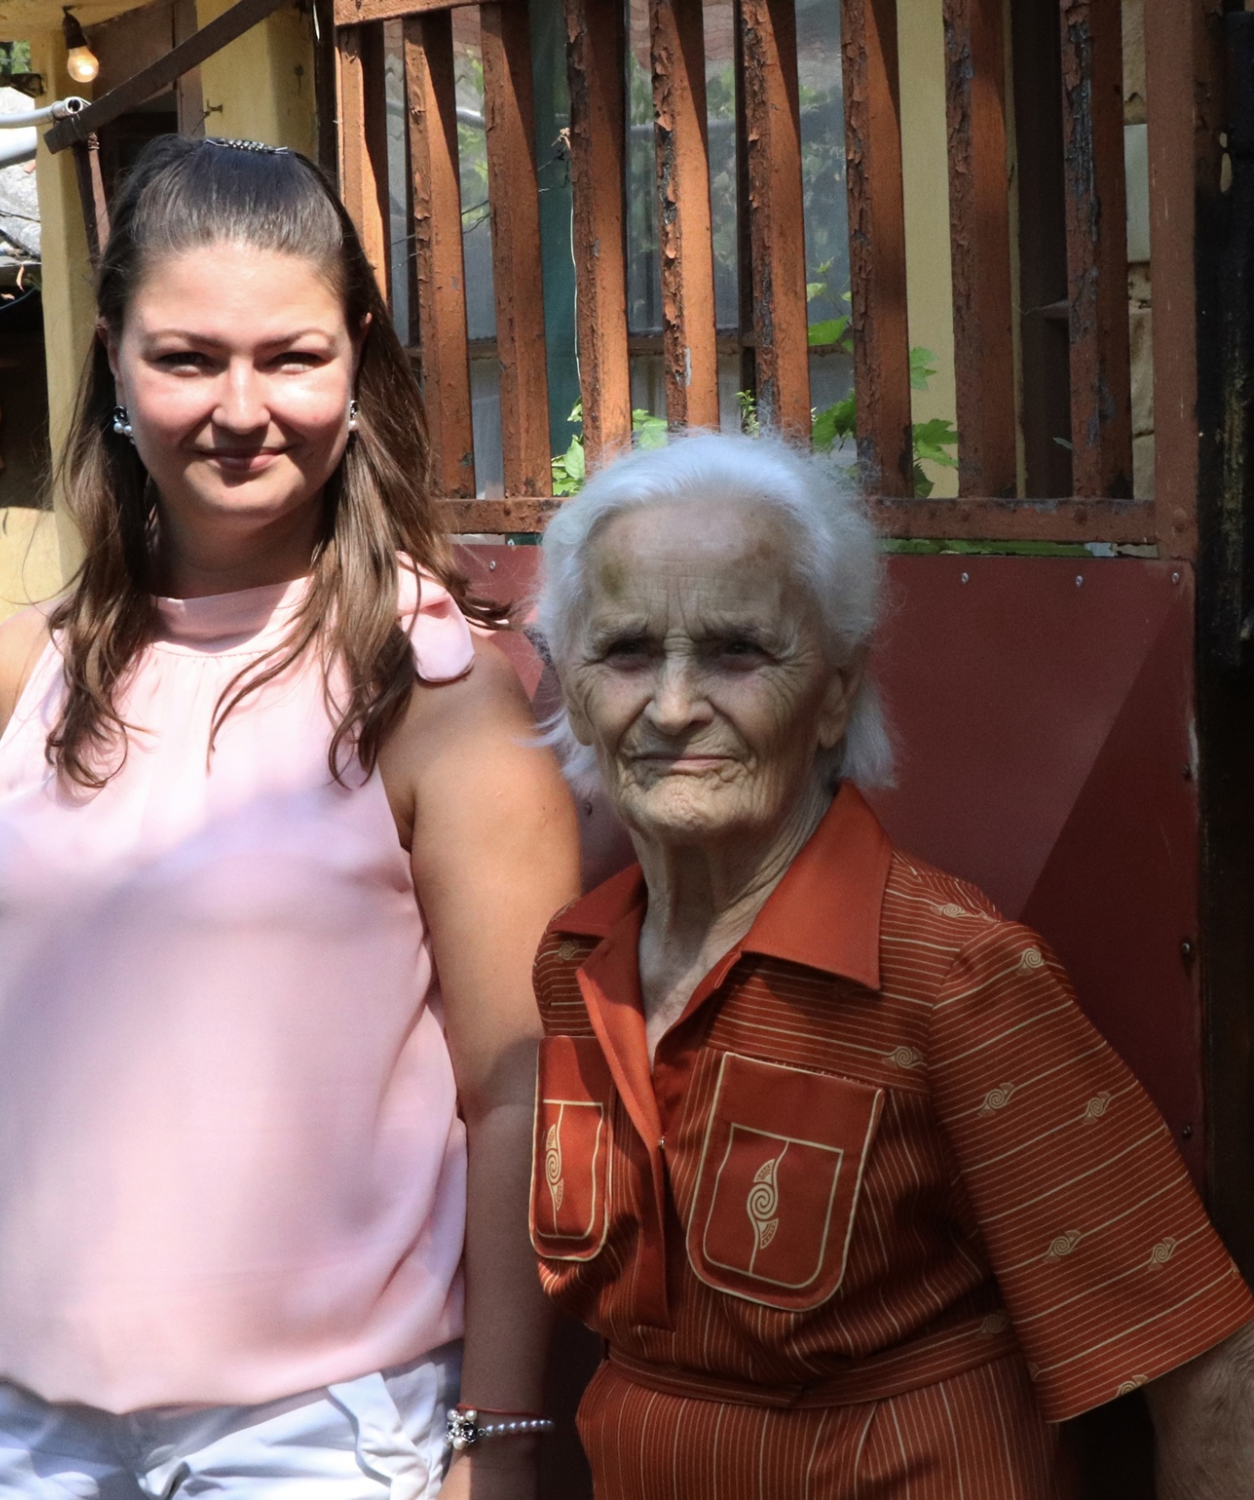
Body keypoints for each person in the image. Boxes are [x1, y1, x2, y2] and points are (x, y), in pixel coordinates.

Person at [0, 136, 577, 1500]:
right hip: (32, 1427)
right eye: (187, 358)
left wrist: (501, 1435)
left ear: (356, 363)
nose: (241, 410)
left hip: (316, 1438)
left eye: (291, 357)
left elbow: (520, 1091)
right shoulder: (27, 670)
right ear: (114, 362)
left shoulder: (440, 689)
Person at [526, 430, 1254, 1497]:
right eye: (628, 651)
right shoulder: (575, 964)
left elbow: (1200, 1362)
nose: (674, 707)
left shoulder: (950, 977)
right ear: (575, 688)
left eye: (737, 653)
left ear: (833, 693)